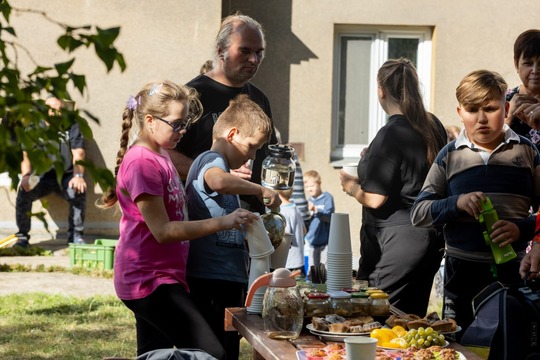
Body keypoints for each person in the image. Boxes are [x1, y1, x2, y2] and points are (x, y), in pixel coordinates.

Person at [97, 81, 258, 358]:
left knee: (154, 353)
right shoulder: (141, 163)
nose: (183, 131)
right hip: (148, 281)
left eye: (185, 123)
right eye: (176, 124)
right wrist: (225, 221)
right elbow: (162, 230)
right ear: (150, 121)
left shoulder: (160, 154)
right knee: (211, 353)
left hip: (164, 277)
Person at [411, 70, 540, 338]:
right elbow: (419, 213)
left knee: (508, 346)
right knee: (460, 347)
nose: (481, 119)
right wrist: (456, 203)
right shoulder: (449, 156)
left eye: (490, 109)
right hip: (461, 276)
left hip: (512, 275)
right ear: (459, 112)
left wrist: (522, 229)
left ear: (505, 108)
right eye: (472, 110)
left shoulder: (528, 152)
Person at [339, 58, 447, 316]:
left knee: (373, 321)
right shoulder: (433, 126)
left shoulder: (391, 133)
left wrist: (350, 186)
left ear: (381, 90)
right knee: (410, 325)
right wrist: (371, 157)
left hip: (395, 245)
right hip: (429, 240)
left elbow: (375, 198)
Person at [184, 94, 279, 360]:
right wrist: (260, 190)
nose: (252, 156)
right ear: (232, 134)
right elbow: (218, 182)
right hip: (210, 279)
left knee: (227, 349)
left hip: (226, 278)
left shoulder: (222, 165)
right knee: (215, 353)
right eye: (251, 146)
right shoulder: (211, 161)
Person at [168, 13, 278, 215]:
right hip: (206, 220)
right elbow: (164, 154)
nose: (254, 59)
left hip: (251, 217)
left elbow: (268, 155)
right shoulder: (191, 96)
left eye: (259, 52)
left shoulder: (261, 99)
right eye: (244, 50)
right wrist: (215, 172)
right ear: (221, 50)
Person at [15, 96, 87, 247]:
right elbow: (25, 155)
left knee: (78, 190)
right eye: (52, 110)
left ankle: (76, 237)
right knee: (23, 192)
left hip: (66, 176)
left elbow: (78, 153)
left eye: (59, 110)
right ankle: (22, 237)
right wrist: (26, 176)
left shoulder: (72, 124)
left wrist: (78, 176)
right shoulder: (33, 127)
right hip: (41, 177)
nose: (56, 114)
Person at [505, 29, 540, 143]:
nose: (535, 70)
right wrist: (508, 116)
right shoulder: (501, 101)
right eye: (528, 63)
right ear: (516, 64)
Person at [304, 170, 334, 269]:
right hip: (312, 242)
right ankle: (313, 284)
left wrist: (316, 210)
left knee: (324, 270)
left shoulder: (327, 198)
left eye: (312, 186)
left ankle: (324, 285)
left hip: (326, 242)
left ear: (319, 183)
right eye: (307, 187)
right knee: (313, 270)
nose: (309, 189)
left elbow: (330, 217)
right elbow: (306, 222)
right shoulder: (308, 201)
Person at [276, 187, 307, 275]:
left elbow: (285, 234)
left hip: (288, 262)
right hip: (299, 260)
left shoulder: (282, 211)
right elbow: (304, 231)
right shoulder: (295, 208)